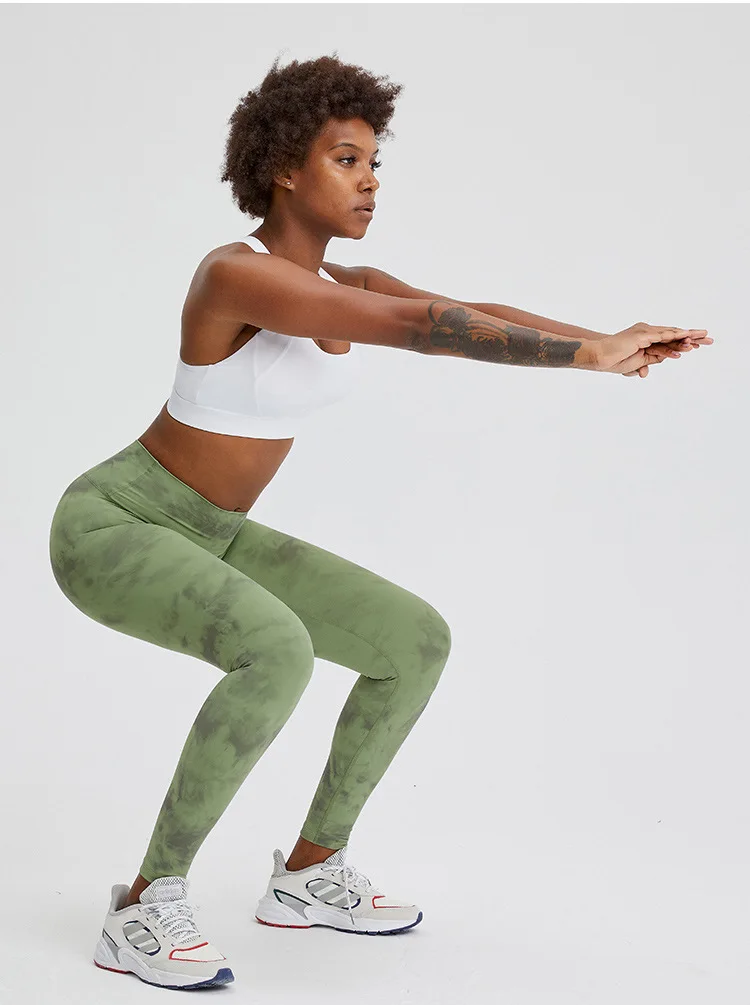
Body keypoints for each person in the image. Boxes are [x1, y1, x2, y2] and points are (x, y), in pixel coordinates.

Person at [47, 53, 712, 991]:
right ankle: (145, 905)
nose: (369, 181)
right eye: (346, 159)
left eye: (374, 163)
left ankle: (311, 873)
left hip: (211, 529)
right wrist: (583, 357)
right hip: (115, 524)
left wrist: (602, 340)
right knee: (276, 649)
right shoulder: (235, 274)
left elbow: (459, 310)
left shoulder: (345, 278)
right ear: (285, 168)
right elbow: (416, 326)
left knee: (412, 640)